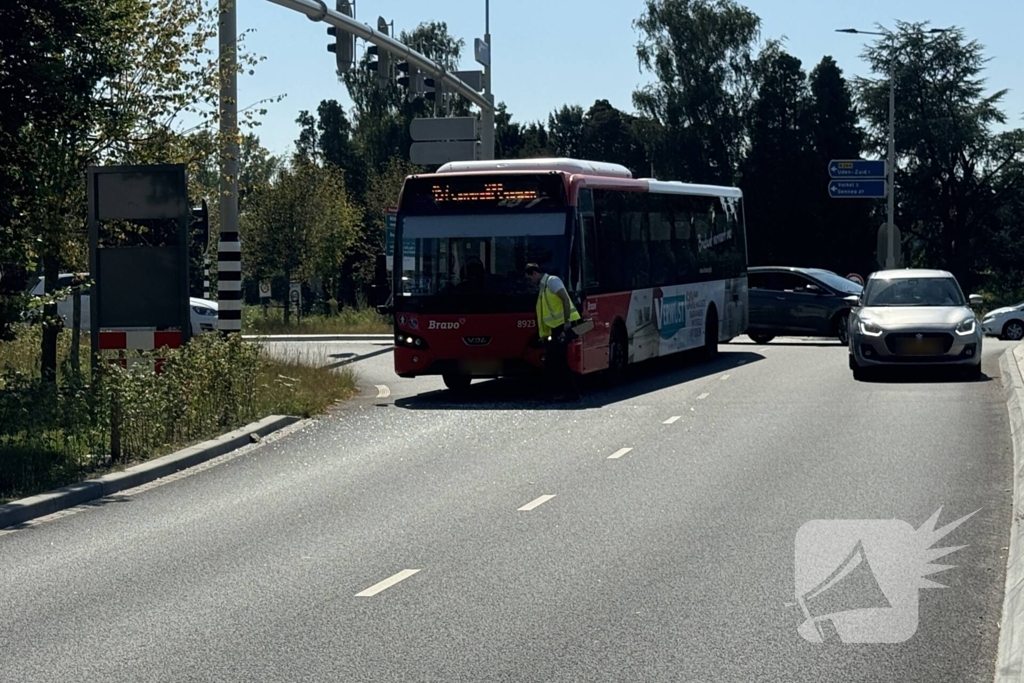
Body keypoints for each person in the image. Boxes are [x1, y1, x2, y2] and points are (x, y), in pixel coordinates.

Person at [526, 263, 581, 401]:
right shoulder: (544, 286)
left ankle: (569, 393)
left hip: (561, 326)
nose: (530, 281)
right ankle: (564, 392)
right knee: (553, 360)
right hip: (555, 328)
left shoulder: (552, 281)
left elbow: (565, 299)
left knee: (558, 360)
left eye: (529, 278)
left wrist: (567, 321)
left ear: (535, 273)